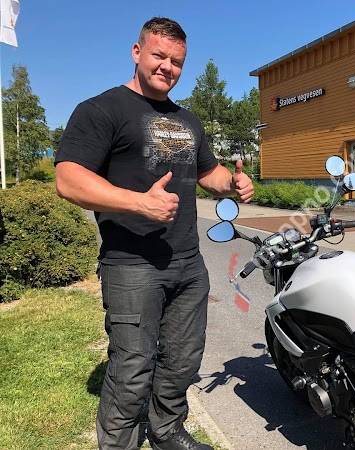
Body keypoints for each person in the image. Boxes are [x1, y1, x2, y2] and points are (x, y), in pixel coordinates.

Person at [55, 17, 253, 450]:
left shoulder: (188, 120)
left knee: (182, 361)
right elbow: (68, 180)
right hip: (131, 265)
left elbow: (209, 172)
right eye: (159, 56)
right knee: (132, 370)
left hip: (187, 263)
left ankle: (167, 432)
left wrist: (232, 183)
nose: (167, 67)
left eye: (177, 61)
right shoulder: (102, 109)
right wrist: (139, 202)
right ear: (137, 52)